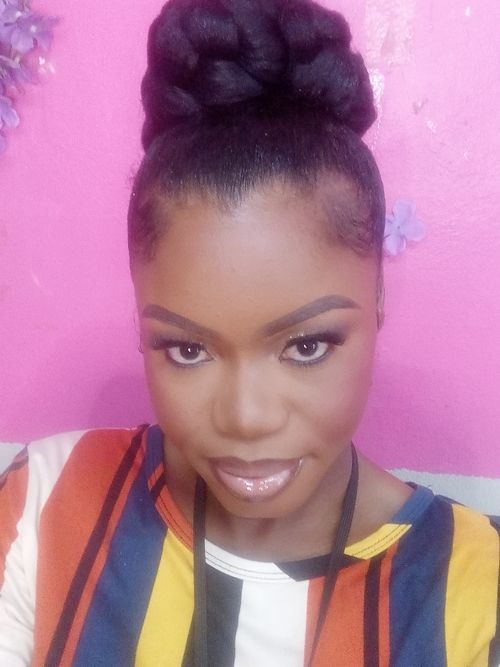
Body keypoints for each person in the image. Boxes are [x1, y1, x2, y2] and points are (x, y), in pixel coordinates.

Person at [1, 0, 498, 665]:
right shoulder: (46, 502)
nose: (245, 417)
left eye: (306, 346)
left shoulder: (473, 587)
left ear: (377, 300)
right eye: (187, 349)